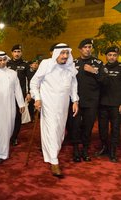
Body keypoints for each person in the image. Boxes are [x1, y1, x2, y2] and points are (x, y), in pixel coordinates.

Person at [30, 43, 79, 177]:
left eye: (67, 53)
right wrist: (37, 98)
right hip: (48, 104)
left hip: (63, 106)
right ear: (56, 53)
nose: (65, 56)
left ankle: (52, 154)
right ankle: (54, 161)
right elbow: (34, 83)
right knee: (51, 130)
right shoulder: (46, 64)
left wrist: (75, 100)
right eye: (62, 53)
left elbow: (73, 83)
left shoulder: (70, 66)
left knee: (59, 132)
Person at [0, 51, 25, 164]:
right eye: (0, 60)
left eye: (4, 60)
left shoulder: (13, 73)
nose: (2, 62)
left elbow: (17, 89)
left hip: (10, 106)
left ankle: (4, 151)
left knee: (9, 128)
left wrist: (21, 103)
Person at [71, 39, 104, 162]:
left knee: (88, 126)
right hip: (76, 101)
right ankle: (75, 150)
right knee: (75, 126)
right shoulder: (73, 63)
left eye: (89, 47)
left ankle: (85, 150)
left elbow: (104, 81)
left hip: (91, 101)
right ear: (80, 49)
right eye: (85, 47)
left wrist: (94, 71)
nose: (88, 49)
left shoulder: (98, 63)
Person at [96, 47, 121, 162]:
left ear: (117, 56)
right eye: (109, 54)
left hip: (116, 105)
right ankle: (105, 148)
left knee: (115, 129)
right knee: (102, 129)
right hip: (102, 104)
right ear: (106, 56)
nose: (112, 57)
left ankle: (113, 152)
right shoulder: (102, 68)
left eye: (114, 55)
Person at [7, 44, 30, 146]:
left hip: (20, 96)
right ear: (12, 53)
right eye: (15, 52)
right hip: (7, 95)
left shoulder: (25, 64)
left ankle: (14, 137)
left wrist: (29, 93)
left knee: (17, 117)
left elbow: (29, 79)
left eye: (19, 52)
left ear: (21, 53)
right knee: (8, 116)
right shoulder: (7, 64)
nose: (17, 54)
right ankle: (7, 135)